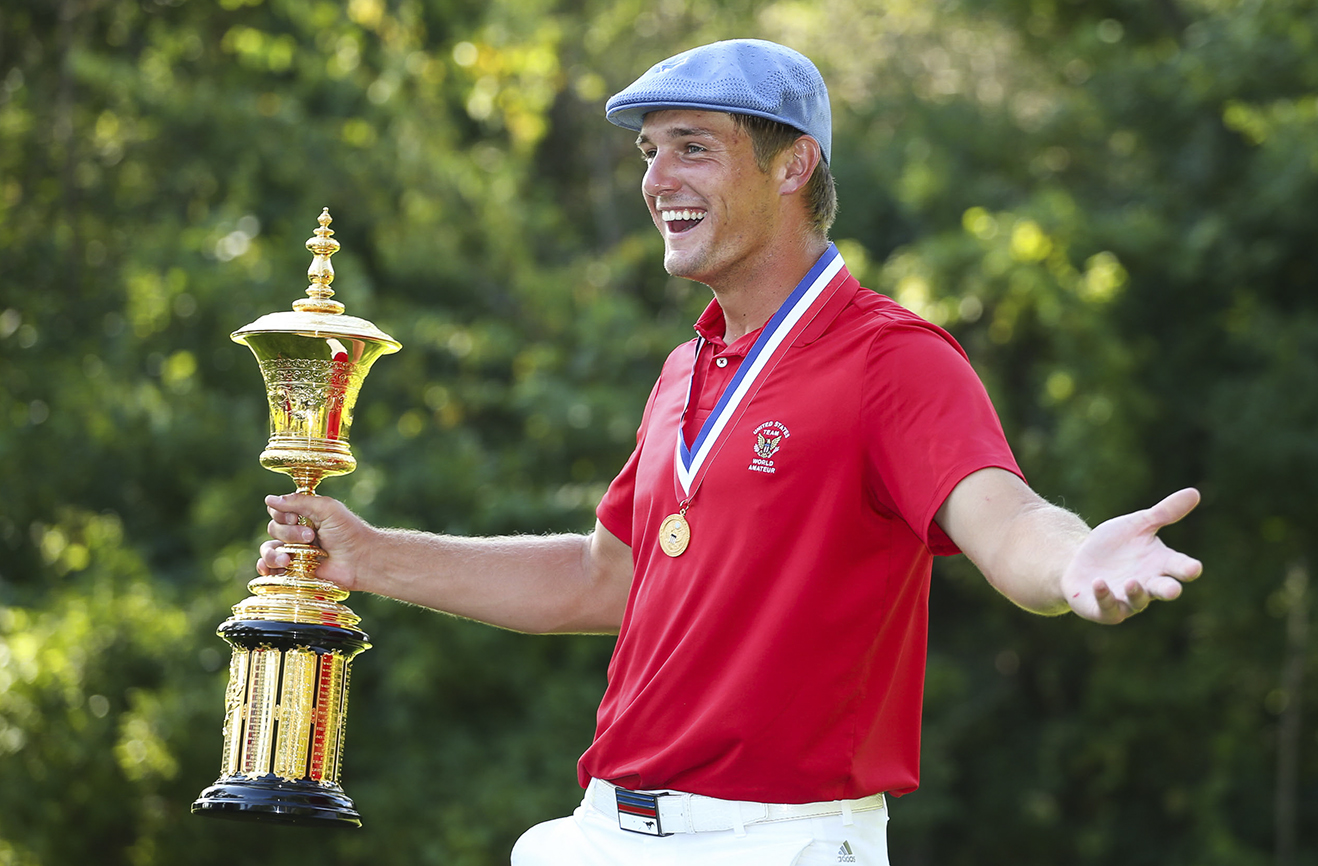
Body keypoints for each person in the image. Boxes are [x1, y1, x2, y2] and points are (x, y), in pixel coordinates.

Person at [257, 38, 1203, 866]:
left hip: (774, 842)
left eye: (693, 148)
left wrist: (1074, 557)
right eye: (650, 150)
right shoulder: (684, 370)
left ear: (794, 166)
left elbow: (1008, 521)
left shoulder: (892, 357)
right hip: (603, 833)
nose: (658, 178)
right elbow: (603, 581)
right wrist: (368, 555)